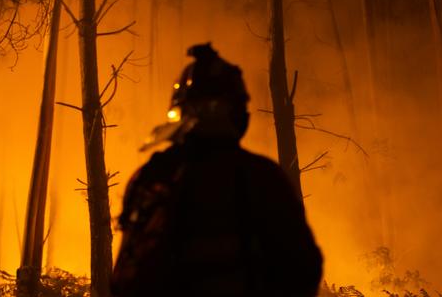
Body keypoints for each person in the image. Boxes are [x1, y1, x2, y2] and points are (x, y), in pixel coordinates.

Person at [112, 43, 323, 297]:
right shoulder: (263, 177)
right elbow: (303, 269)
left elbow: (126, 277)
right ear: (238, 112)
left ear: (179, 110)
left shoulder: (155, 176)